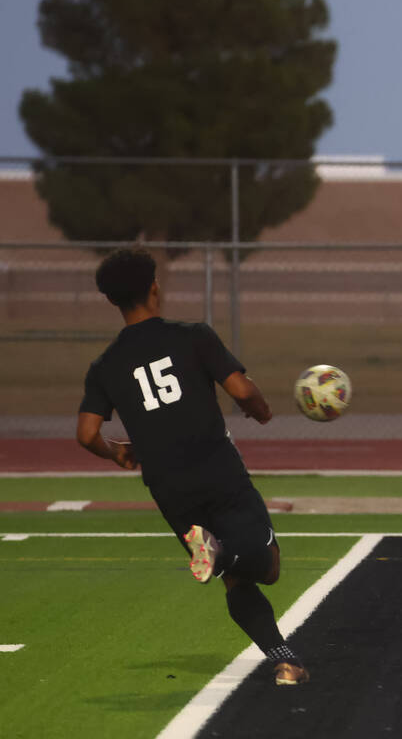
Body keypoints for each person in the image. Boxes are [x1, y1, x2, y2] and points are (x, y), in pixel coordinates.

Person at [76, 248, 309, 685]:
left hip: (168, 486)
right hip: (217, 469)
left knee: (234, 580)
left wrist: (117, 452)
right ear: (154, 288)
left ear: (112, 301)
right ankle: (226, 555)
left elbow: (87, 434)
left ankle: (286, 660)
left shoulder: (105, 366)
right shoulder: (192, 336)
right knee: (268, 565)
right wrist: (260, 410)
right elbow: (240, 389)